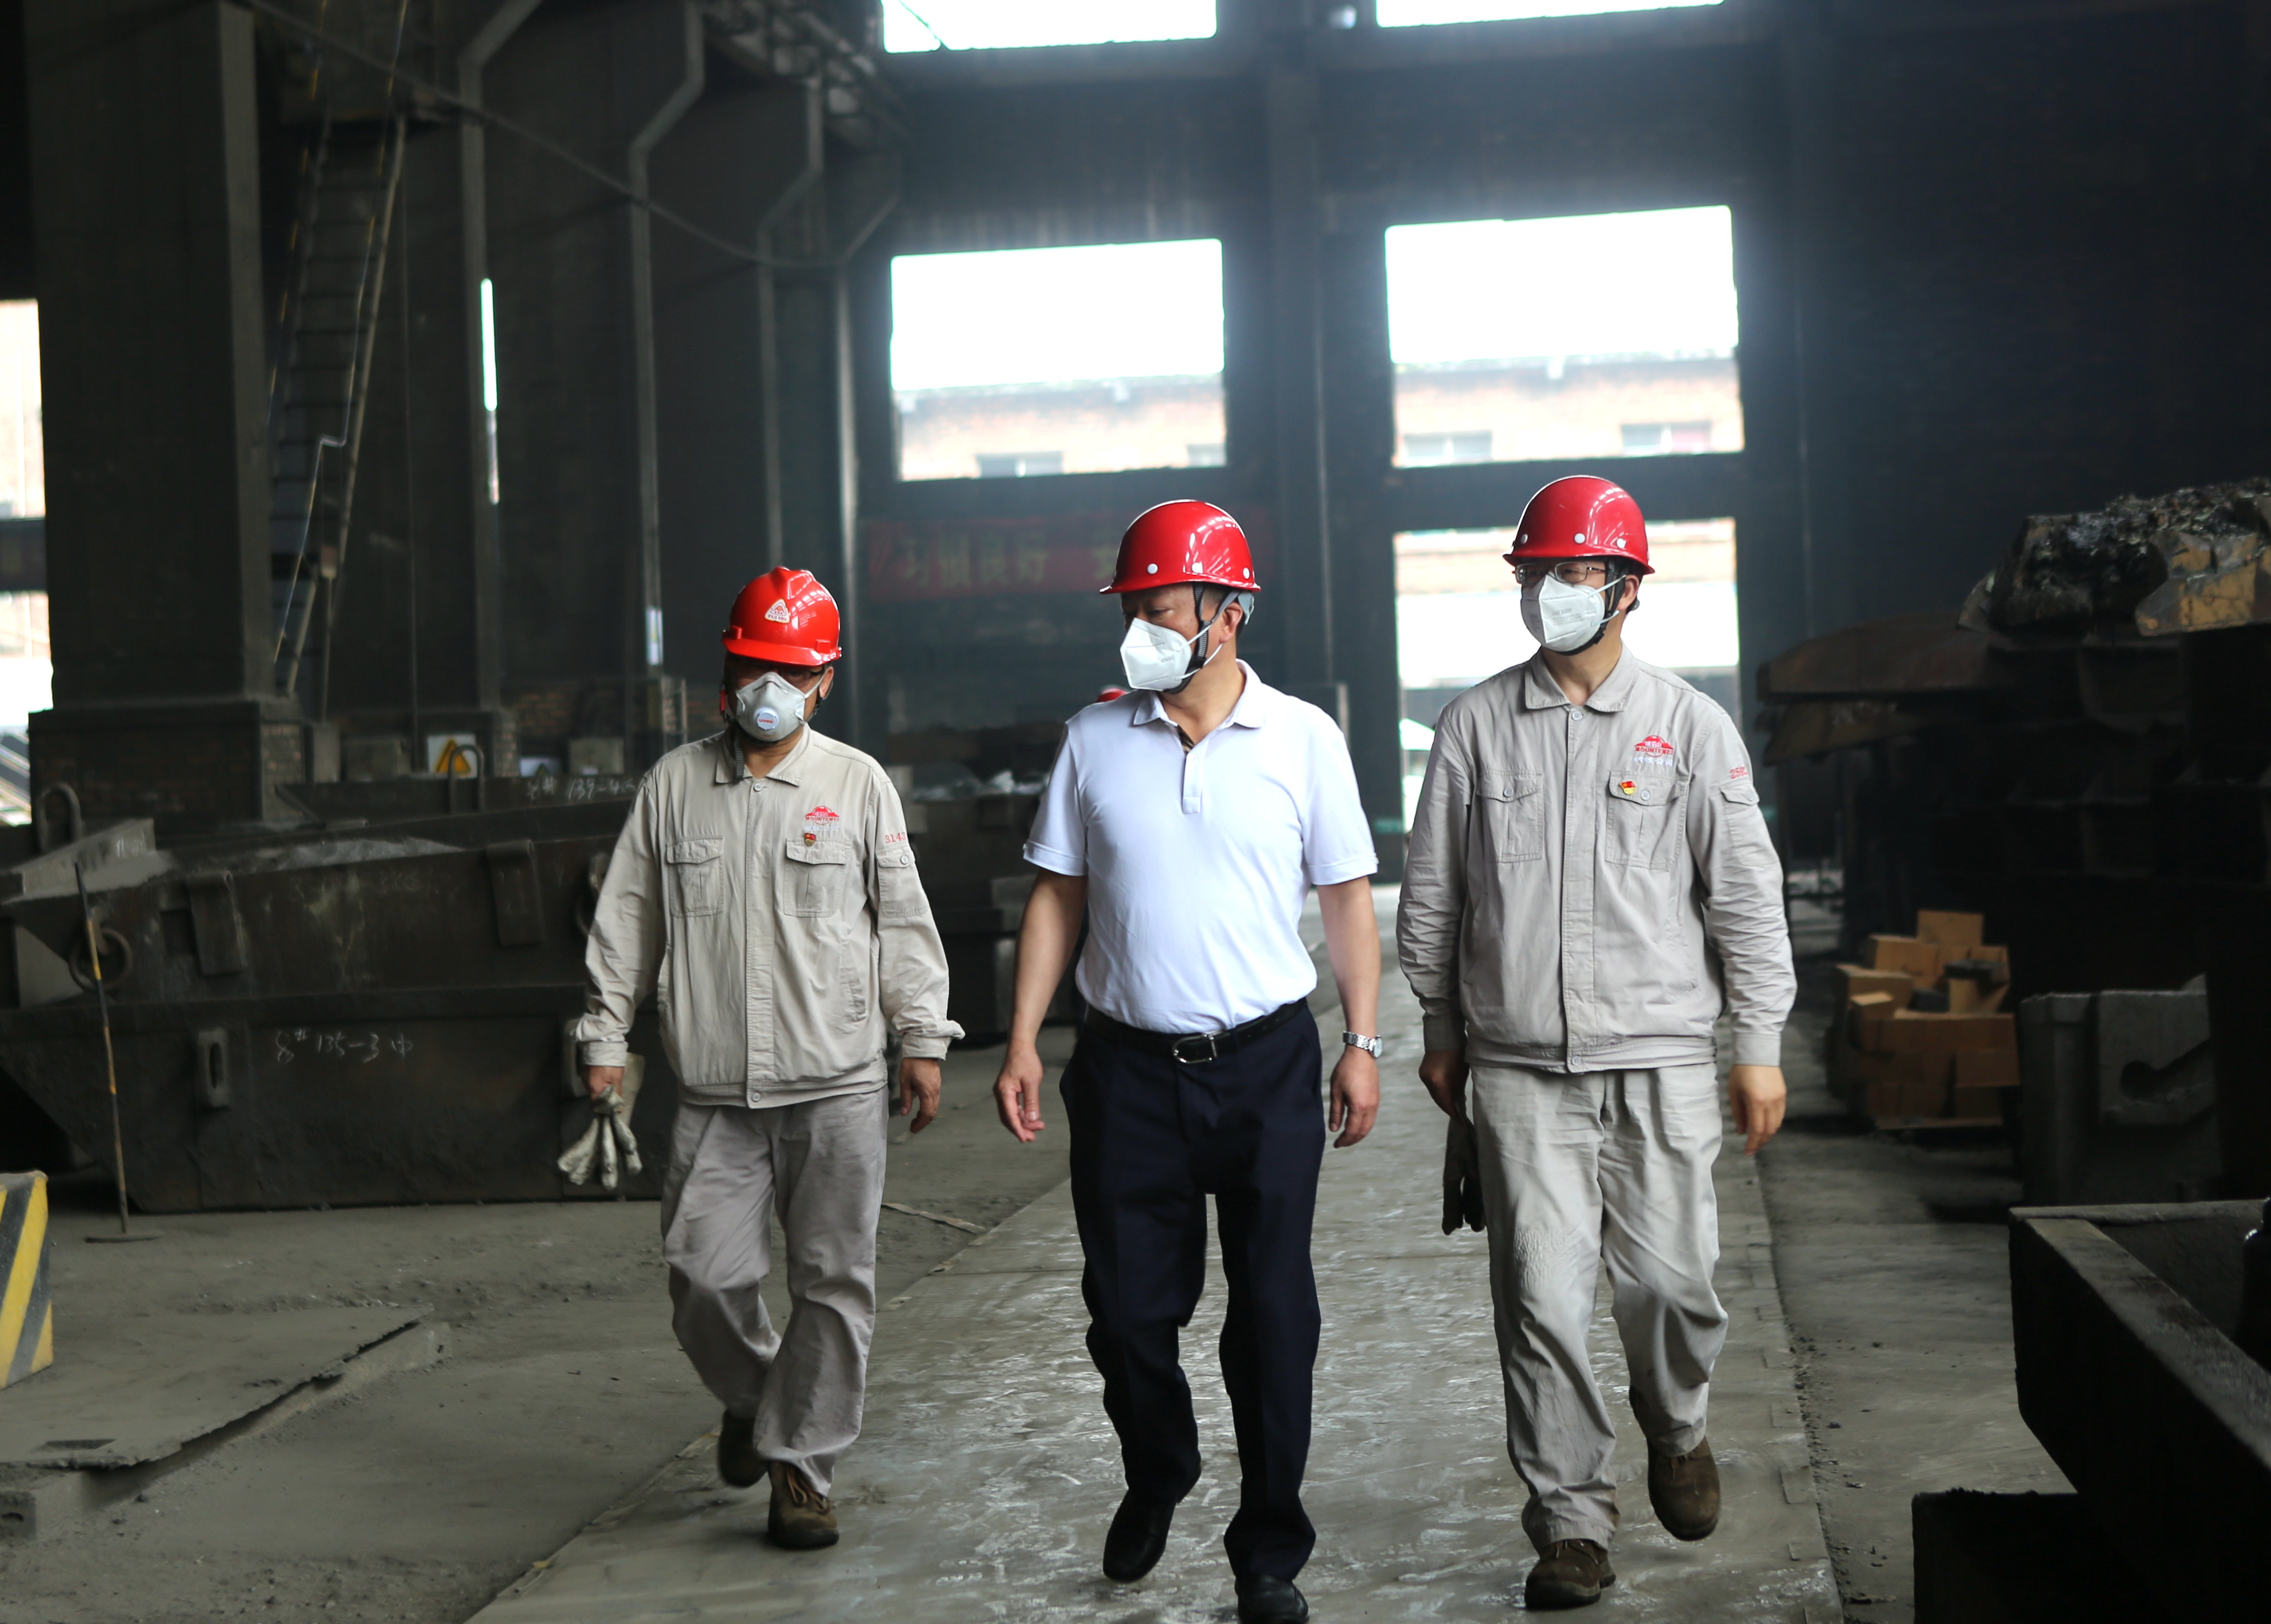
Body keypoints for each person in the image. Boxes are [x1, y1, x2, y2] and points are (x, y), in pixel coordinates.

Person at [1396, 476, 1794, 1610]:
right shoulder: (1476, 726)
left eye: (1573, 574)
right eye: (1537, 575)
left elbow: (1745, 894)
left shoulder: (1689, 727)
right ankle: (1570, 1520)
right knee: (1541, 1301)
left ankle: (1678, 1422)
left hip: (1661, 1058)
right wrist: (1440, 1025)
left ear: (1625, 590)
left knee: (1671, 1284)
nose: (1551, 593)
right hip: (1521, 1070)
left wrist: (1758, 1041)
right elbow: (1434, 892)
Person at [992, 500, 1384, 1624]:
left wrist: (1361, 1042)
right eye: (1132, 610)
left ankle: (1269, 1549)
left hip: (1266, 1067)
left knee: (1272, 1314)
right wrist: (1022, 1040)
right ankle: (1159, 1466)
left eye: (1160, 610)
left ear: (1228, 611)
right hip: (1126, 1073)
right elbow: (1058, 895)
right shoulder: (1093, 739)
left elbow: (1347, 900)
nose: (1141, 631)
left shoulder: (1303, 739)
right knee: (1126, 1314)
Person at [576, 566, 962, 1551]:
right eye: (754, 667)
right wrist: (605, 1033)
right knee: (700, 1275)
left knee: (833, 1281)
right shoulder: (674, 786)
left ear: (824, 679)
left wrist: (922, 1038)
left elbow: (903, 921)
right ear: (727, 670)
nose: (768, 688)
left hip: (837, 1085)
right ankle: (757, 1397)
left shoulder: (856, 785)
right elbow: (627, 919)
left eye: (790, 671)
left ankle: (802, 1470)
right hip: (714, 1092)